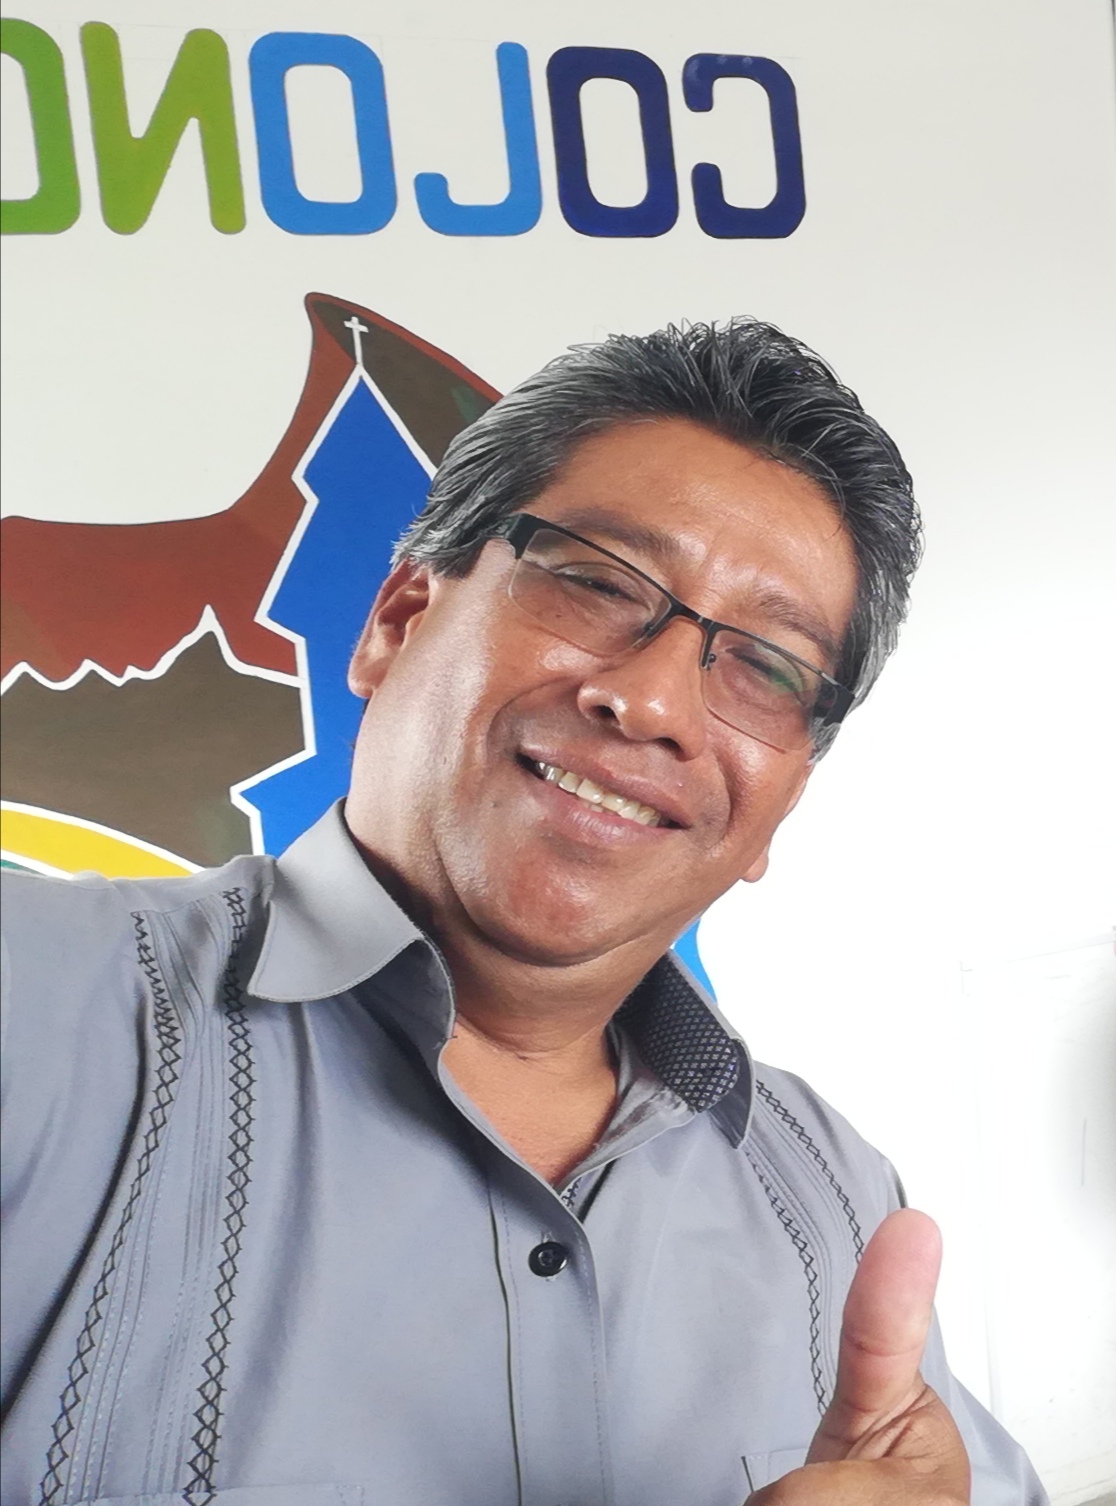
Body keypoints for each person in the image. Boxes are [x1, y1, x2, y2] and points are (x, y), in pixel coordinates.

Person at [1, 320, 1047, 1506]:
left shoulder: (843, 1200)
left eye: (764, 665)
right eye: (597, 583)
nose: (652, 703)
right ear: (397, 620)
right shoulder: (35, 1009)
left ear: (783, 801)